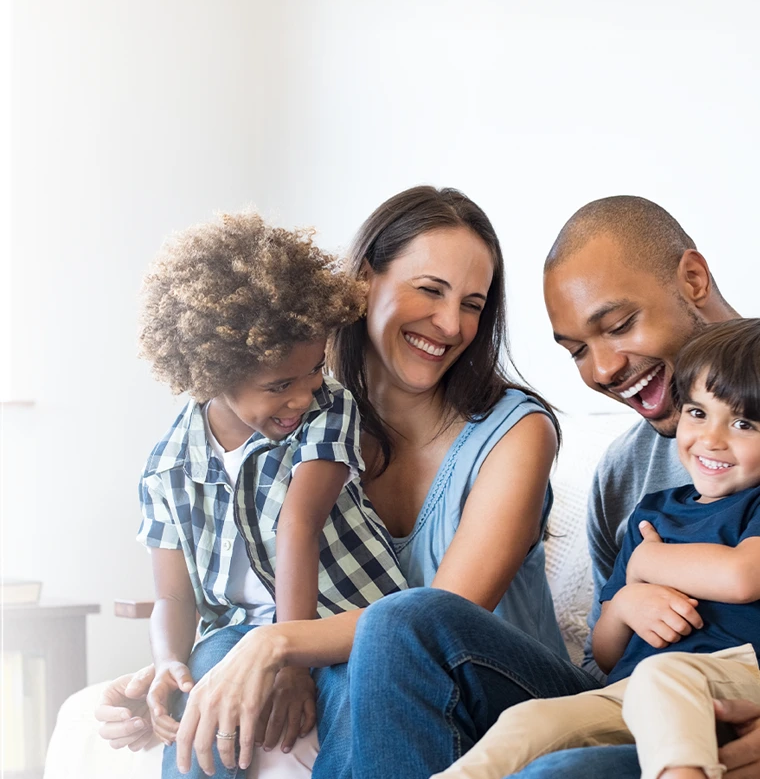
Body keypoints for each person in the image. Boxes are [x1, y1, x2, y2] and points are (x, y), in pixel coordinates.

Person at [93, 187, 584, 778]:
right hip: (368, 676)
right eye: (429, 290)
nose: (452, 324)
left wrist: (277, 646)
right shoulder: (297, 422)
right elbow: (232, 582)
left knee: (390, 634)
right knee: (218, 679)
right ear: (364, 282)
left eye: (473, 304)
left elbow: (434, 621)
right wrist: (180, 679)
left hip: (492, 689)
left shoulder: (515, 433)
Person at [326, 195, 760, 779]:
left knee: (553, 774)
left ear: (693, 278)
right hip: (629, 701)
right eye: (578, 350)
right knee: (401, 622)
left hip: (715, 703)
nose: (603, 370)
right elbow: (605, 660)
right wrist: (628, 598)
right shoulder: (624, 476)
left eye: (619, 325)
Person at [135, 211, 408, 778]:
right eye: (279, 386)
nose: (302, 397)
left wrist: (292, 661)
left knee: (357, 696)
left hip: (340, 618)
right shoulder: (167, 469)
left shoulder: (329, 410)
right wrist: (166, 663)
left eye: (312, 371)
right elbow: (173, 599)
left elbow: (298, 524)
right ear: (211, 375)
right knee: (201, 699)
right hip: (234, 632)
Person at [433, 318, 760, 779]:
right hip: (637, 689)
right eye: (698, 412)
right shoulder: (653, 514)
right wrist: (626, 603)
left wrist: (648, 563)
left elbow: (743, 576)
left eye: (743, 422)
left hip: (737, 675)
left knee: (662, 676)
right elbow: (605, 654)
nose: (711, 438)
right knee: (530, 720)